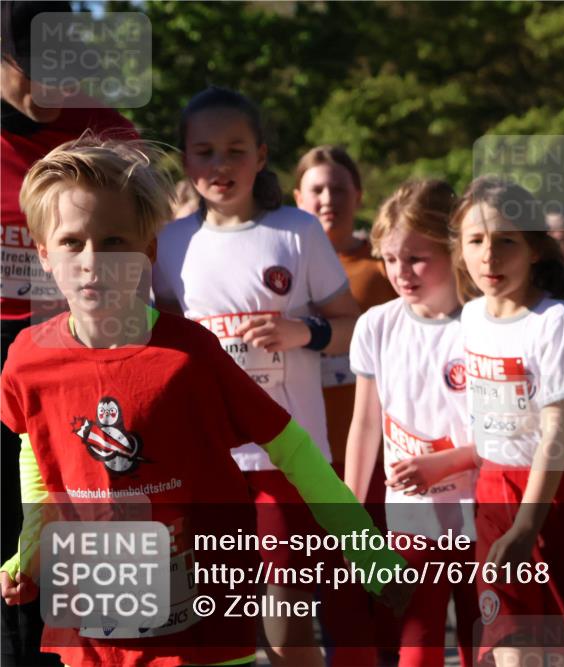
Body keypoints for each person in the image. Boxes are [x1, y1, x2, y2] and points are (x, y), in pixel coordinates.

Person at [0, 138, 410, 667]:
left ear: (148, 251)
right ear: (43, 254)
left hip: (203, 633)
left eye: (114, 239)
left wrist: (367, 552)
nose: (92, 260)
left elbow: (292, 449)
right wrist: (27, 553)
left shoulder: (189, 354)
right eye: (72, 242)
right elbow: (39, 454)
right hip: (96, 628)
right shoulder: (27, 358)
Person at [151, 88, 362, 667]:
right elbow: (161, 339)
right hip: (208, 458)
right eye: (205, 152)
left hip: (283, 457)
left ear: (262, 156)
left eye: (235, 150)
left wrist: (307, 334)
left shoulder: (296, 232)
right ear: (186, 160)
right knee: (218, 613)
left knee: (287, 616)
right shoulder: (171, 243)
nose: (220, 165)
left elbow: (353, 326)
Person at [1, 4, 138, 664]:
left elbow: (148, 235)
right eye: (37, 73)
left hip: (85, 346)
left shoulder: (106, 128)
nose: (56, 89)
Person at [454, 176, 564, 666]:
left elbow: (557, 434)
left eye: (506, 241)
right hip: (495, 493)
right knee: (510, 646)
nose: (489, 255)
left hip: (560, 498)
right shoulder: (471, 316)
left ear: (536, 249)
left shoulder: (556, 320)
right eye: (476, 241)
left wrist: (527, 525)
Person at [343, 179, 479, 667]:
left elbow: (511, 436)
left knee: (480, 638)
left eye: (417, 258)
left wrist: (444, 464)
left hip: (480, 514)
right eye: (390, 258)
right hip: (410, 518)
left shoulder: (483, 324)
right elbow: (364, 425)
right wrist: (350, 514)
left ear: (455, 250)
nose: (401, 272)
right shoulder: (376, 325)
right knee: (415, 643)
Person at [293, 145, 400, 666]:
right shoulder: (284, 265)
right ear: (297, 197)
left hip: (374, 454)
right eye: (316, 189)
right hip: (305, 459)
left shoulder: (385, 271)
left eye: (338, 187)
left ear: (358, 194)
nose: (328, 198)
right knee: (330, 595)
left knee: (379, 589)